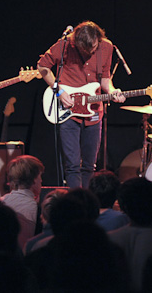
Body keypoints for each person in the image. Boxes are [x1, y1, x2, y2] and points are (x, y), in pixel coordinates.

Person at [36, 21, 125, 188]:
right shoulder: (64, 45)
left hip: (93, 112)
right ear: (76, 43)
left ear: (99, 39)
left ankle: (88, 202)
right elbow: (42, 66)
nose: (90, 53)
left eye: (93, 48)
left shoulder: (107, 47)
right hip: (68, 112)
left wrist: (112, 91)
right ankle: (76, 203)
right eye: (85, 50)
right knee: (72, 166)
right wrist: (59, 92)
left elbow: (105, 79)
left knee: (90, 166)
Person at [1, 155, 44, 248]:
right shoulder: (36, 210)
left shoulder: (1, 201)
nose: (41, 180)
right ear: (33, 180)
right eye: (40, 176)